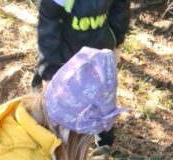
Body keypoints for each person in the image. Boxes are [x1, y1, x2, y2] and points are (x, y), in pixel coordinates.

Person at [32, 0, 130, 146]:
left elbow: (120, 8)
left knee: (100, 96)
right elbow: (48, 26)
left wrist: (116, 42)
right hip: (67, 58)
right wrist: (49, 71)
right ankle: (54, 139)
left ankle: (104, 142)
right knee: (58, 106)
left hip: (99, 51)